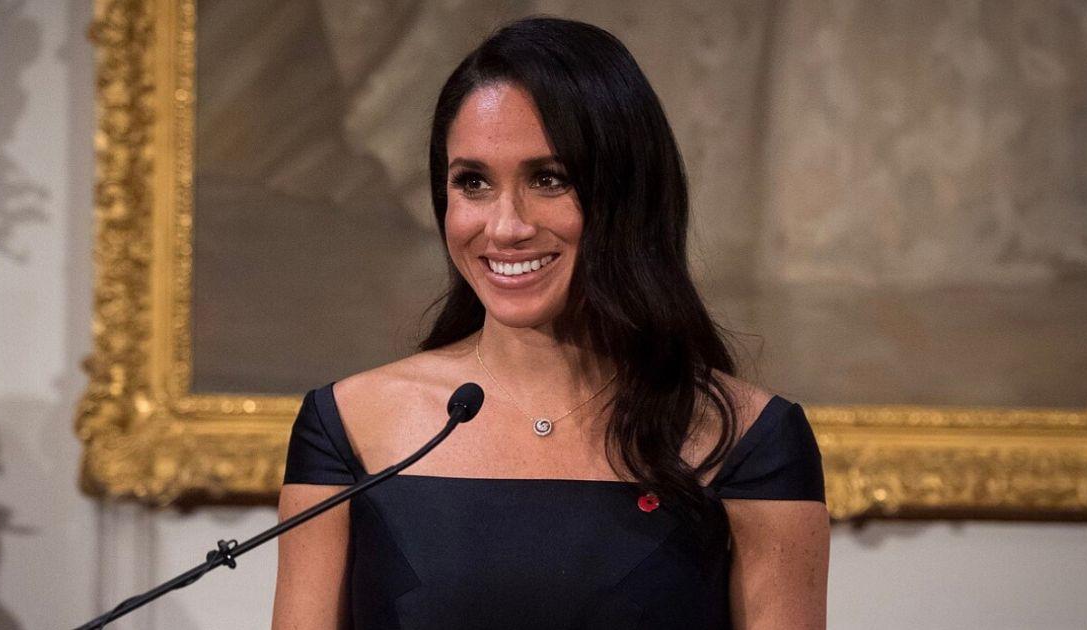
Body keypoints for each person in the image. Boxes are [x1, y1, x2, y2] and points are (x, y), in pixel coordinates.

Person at [272, 16, 828, 630]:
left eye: (548, 179)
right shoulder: (346, 425)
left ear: (629, 194)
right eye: (473, 182)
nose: (506, 226)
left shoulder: (749, 439)